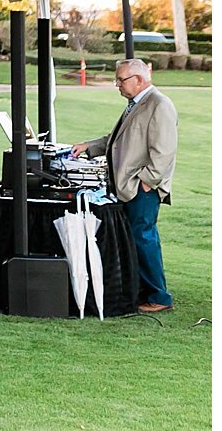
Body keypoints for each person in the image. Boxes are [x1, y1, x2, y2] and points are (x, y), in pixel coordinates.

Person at [72, 58, 179, 313]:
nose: (117, 84)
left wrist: (147, 182)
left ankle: (159, 296)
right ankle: (142, 291)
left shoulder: (159, 105)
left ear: (139, 79)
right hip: (129, 186)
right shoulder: (137, 104)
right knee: (134, 239)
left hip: (142, 188)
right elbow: (119, 139)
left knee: (143, 239)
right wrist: (90, 147)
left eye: (121, 79)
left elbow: (164, 151)